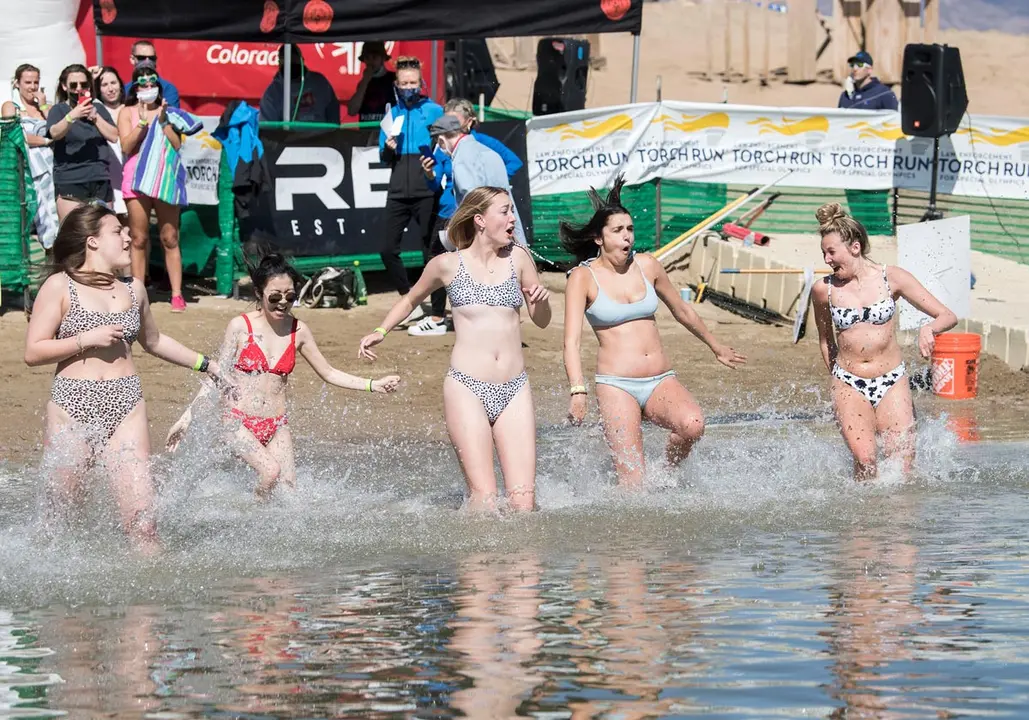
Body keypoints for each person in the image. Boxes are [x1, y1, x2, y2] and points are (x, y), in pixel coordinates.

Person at [22, 204, 230, 552]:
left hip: (127, 405)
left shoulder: (134, 288)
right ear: (92, 242)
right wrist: (84, 340)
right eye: (116, 231)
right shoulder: (60, 286)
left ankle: (149, 601)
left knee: (143, 524)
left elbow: (154, 341)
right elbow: (32, 352)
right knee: (59, 521)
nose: (127, 236)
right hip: (73, 405)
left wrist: (209, 365)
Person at [359, 187, 551, 512]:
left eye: (511, 211)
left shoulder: (519, 258)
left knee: (524, 501)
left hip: (515, 387)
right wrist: (381, 330)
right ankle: (477, 561)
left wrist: (541, 304)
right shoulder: (446, 264)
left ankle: (524, 563)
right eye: (504, 211)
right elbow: (410, 298)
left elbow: (542, 321)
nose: (512, 218)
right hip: (467, 387)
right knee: (485, 499)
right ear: (480, 220)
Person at [165, 253, 401, 499]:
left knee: (289, 494)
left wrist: (374, 385)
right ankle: (248, 514)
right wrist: (186, 418)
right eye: (275, 297)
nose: (283, 303)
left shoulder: (299, 331)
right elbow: (217, 376)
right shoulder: (240, 326)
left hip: (276, 425)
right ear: (259, 293)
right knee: (270, 473)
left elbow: (328, 372)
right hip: (237, 422)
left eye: (290, 296)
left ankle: (258, 522)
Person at [562, 175, 746, 489]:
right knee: (632, 483)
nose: (626, 238)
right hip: (616, 385)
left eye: (630, 230)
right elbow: (571, 342)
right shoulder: (582, 277)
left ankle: (666, 472)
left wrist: (716, 346)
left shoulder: (648, 265)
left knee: (693, 425)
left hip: (660, 379)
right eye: (617, 231)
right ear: (598, 238)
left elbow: (683, 309)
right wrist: (578, 391)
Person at [810, 203, 956, 480]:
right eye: (824, 253)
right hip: (848, 382)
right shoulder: (823, 290)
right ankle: (863, 522)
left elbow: (946, 315)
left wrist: (929, 329)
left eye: (831, 252)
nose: (827, 260)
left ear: (854, 248)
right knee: (866, 462)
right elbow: (825, 340)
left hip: (892, 380)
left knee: (902, 467)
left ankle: (898, 523)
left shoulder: (893, 278)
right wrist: (838, 383)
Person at [411, 98, 524, 337]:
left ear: (468, 122)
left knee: (472, 273)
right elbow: (443, 184)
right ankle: (446, 316)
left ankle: (471, 321)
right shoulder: (483, 153)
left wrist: (464, 229)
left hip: (473, 225)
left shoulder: (469, 154)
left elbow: (474, 203)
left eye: (453, 119)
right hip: (479, 221)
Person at [118, 62, 188, 311]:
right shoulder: (127, 112)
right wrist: (143, 122)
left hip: (164, 178)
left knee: (170, 236)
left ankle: (177, 294)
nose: (148, 86)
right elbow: (126, 147)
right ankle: (138, 294)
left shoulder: (168, 111)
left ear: (158, 85)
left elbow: (177, 145)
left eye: (152, 82)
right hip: (136, 180)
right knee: (138, 238)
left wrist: (163, 121)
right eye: (142, 82)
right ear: (135, 87)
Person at [377, 56, 443, 318]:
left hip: (427, 190)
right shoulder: (391, 114)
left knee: (432, 252)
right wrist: (388, 148)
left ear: (421, 82)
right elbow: (384, 159)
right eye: (404, 83)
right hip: (397, 192)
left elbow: (446, 148)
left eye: (413, 82)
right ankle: (409, 299)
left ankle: (438, 312)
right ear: (396, 83)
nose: (408, 87)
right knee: (386, 248)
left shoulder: (435, 111)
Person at [430, 114, 526, 245]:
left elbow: (472, 201)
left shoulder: (461, 159)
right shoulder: (488, 151)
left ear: (441, 140)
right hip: (509, 232)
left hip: (488, 239)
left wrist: (455, 228)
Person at [46, 64, 120, 221]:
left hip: (99, 179)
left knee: (104, 230)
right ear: (64, 86)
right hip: (70, 180)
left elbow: (114, 136)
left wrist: (95, 117)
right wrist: (72, 116)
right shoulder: (58, 110)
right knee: (73, 236)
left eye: (84, 85)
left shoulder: (98, 108)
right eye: (73, 85)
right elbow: (54, 133)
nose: (79, 88)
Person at [1, 63, 59, 250]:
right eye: (28, 82)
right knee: (28, 219)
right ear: (17, 83)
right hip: (27, 169)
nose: (32, 86)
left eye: (36, 82)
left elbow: (58, 129)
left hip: (52, 169)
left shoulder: (46, 107)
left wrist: (43, 106)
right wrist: (45, 141)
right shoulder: (11, 107)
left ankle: (53, 257)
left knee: (53, 218)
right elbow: (16, 136)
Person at [259, 44, 340, 124]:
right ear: (279, 64)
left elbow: (333, 115)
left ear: (302, 61)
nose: (291, 67)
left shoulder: (319, 82)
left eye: (294, 62)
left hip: (322, 135)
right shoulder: (273, 93)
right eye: (287, 63)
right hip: (290, 136)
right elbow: (268, 127)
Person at [92, 66, 127, 215]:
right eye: (104, 85)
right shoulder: (96, 109)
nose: (110, 89)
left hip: (128, 171)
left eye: (113, 83)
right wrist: (91, 79)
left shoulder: (131, 108)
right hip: (106, 174)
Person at [346, 41, 395, 123]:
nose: (370, 62)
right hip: (366, 132)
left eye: (374, 57)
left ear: (382, 59)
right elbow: (352, 111)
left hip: (387, 132)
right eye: (367, 58)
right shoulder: (363, 83)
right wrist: (365, 81)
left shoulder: (394, 79)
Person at [123, 40, 180, 108]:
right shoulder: (124, 90)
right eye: (142, 58)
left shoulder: (168, 89)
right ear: (132, 59)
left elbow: (172, 116)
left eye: (151, 58)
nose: (147, 61)